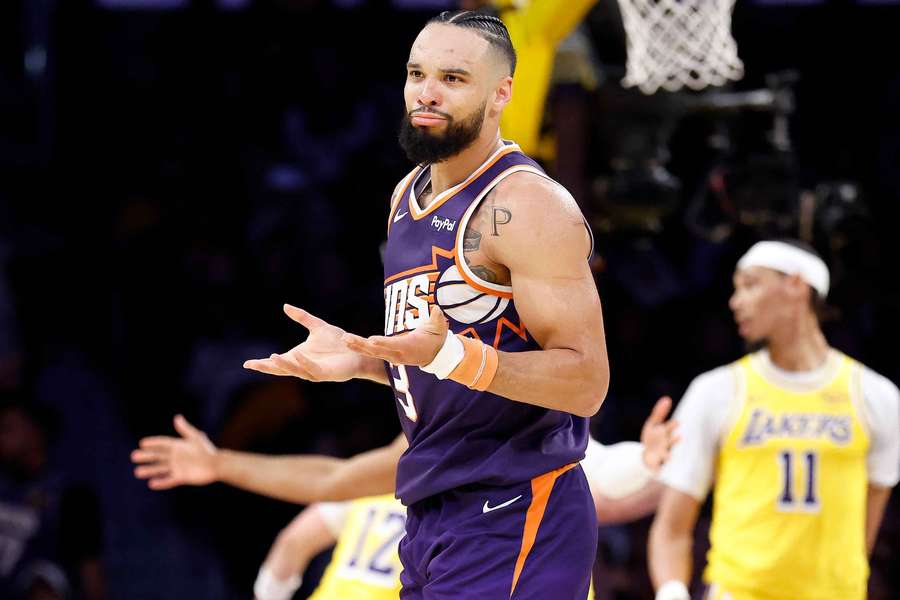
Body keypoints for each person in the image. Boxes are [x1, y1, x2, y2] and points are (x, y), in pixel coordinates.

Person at [236, 10, 608, 599]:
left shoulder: (527, 206)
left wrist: (454, 357)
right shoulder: (406, 196)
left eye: (454, 79)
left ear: (500, 93)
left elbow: (586, 380)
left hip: (516, 506)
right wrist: (363, 359)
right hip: (431, 511)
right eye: (416, 74)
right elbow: (441, 360)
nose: (426, 94)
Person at [131, 398, 676, 600]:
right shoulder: (422, 458)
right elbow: (329, 481)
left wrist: (647, 463)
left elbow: (614, 478)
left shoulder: (546, 448)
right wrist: (222, 464)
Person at [647, 240, 900, 600]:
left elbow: (865, 531)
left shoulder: (877, 396)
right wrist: (672, 593)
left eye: (750, 285)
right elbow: (671, 527)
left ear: (797, 285)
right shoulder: (716, 391)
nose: (736, 302)